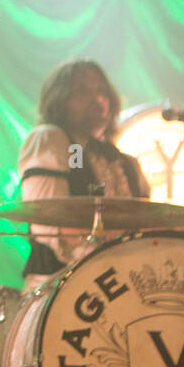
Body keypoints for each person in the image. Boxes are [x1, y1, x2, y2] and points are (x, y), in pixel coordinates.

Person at [19, 59, 150, 293]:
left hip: (120, 285)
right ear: (60, 101)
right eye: (82, 91)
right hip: (59, 288)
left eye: (101, 90)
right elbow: (48, 221)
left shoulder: (127, 163)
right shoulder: (51, 138)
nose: (97, 98)